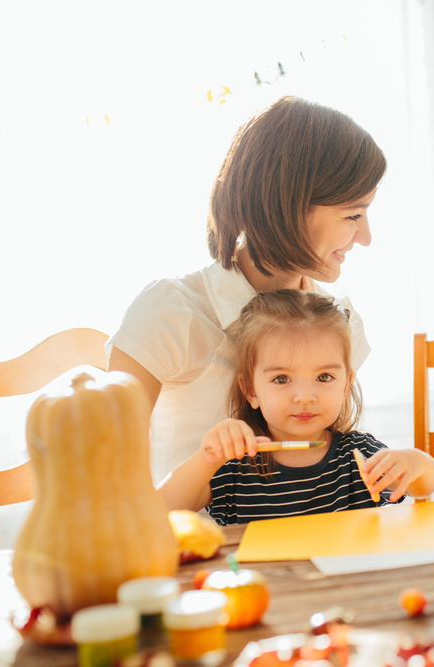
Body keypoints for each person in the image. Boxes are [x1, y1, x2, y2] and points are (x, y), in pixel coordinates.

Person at [107, 96, 386, 484]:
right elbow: (104, 468)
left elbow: (326, 463)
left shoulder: (339, 318)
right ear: (287, 205)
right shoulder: (171, 313)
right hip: (198, 540)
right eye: (353, 215)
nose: (366, 237)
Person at [158, 289, 434, 523]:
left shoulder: (358, 455)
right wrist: (209, 456)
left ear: (345, 384)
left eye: (324, 377)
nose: (305, 397)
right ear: (251, 390)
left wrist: (417, 463)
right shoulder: (235, 467)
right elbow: (163, 509)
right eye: (282, 379)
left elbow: (424, 485)